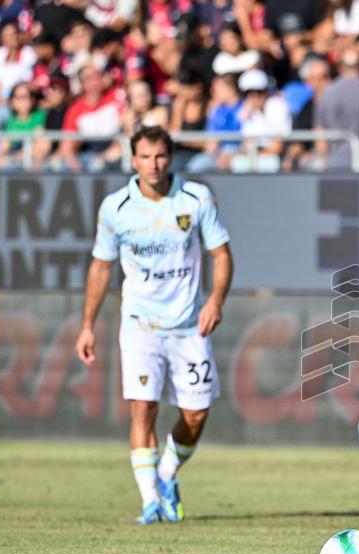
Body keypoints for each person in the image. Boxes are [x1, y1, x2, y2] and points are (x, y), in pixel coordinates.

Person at [75, 126, 233, 525]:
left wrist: (214, 300)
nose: (153, 164)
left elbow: (222, 254)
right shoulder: (117, 207)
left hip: (188, 327)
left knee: (196, 415)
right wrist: (87, 325)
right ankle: (149, 503)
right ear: (133, 160)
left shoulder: (196, 198)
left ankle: (165, 477)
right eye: (145, 157)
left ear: (171, 157)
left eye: (160, 156)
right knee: (142, 409)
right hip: (140, 324)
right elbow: (100, 267)